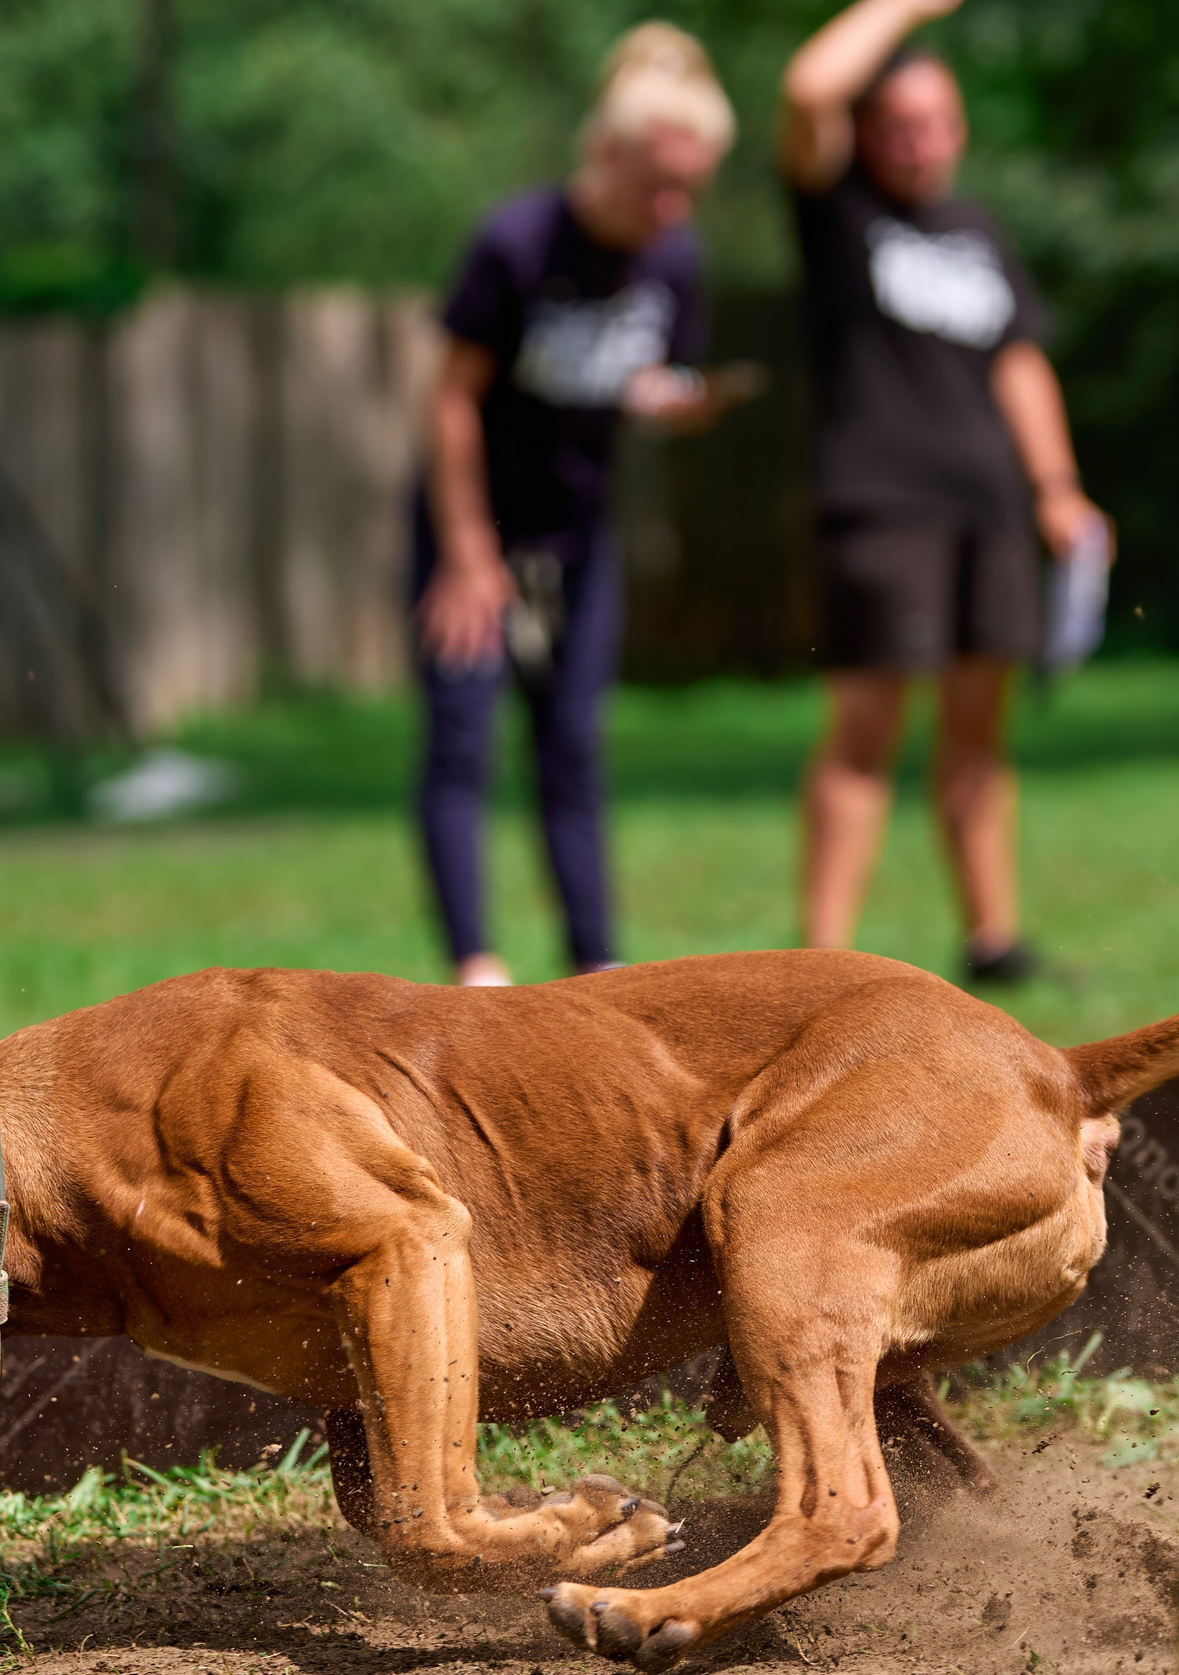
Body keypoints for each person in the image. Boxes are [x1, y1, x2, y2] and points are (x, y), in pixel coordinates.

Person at [780, 0, 1112, 986]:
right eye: (899, 126)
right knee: (866, 730)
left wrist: (1057, 488)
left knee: (977, 729)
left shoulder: (978, 231)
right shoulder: (839, 213)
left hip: (990, 509)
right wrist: (909, 7)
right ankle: (820, 966)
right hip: (882, 504)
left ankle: (992, 940)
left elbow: (1018, 360)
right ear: (866, 132)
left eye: (937, 124)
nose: (921, 144)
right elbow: (807, 87)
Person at [414, 25, 742, 987]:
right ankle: (476, 969)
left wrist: (676, 402)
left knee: (572, 745)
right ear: (605, 153)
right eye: (658, 186)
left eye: (690, 190)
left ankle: (597, 968)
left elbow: (657, 373)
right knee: (463, 742)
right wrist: (467, 551)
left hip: (579, 533)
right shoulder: (517, 243)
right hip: (474, 525)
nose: (672, 209)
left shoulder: (675, 259)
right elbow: (451, 399)